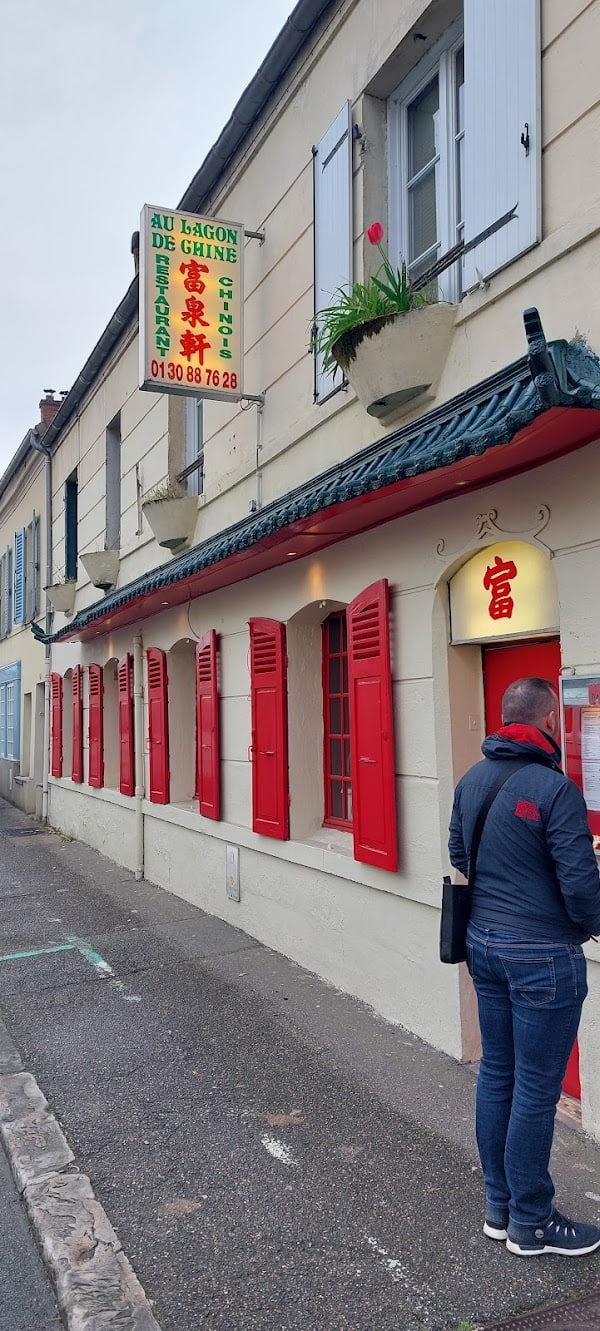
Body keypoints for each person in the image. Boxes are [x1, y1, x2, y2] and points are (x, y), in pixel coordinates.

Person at [449, 676, 600, 1258]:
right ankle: (532, 1224)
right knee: (537, 1089)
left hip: (484, 947)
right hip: (541, 957)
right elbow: (580, 883)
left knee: (498, 1075)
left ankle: (500, 1207)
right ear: (549, 721)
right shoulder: (554, 788)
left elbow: (460, 855)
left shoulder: (472, 780)